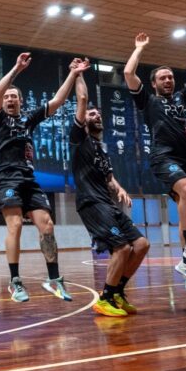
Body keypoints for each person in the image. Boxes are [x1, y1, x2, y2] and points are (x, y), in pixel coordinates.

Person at [0, 53, 87, 302]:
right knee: (15, 225)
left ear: (21, 101)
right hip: (6, 179)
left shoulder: (28, 119)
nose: (9, 99)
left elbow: (58, 100)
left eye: (14, 96)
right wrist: (16, 69)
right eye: (7, 97)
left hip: (29, 180)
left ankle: (54, 279)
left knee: (47, 226)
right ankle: (15, 282)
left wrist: (73, 73)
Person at [123, 33, 186, 287]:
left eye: (170, 77)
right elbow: (129, 73)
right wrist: (139, 48)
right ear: (154, 84)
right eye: (162, 78)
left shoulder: (184, 99)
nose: (167, 80)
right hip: (163, 157)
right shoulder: (148, 101)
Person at [70, 65, 150, 317]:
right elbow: (82, 99)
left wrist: (120, 188)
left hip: (107, 203)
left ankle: (117, 291)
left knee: (141, 244)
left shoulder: (100, 148)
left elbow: (109, 178)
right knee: (122, 248)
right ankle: (105, 298)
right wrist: (78, 74)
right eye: (91, 114)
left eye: (98, 114)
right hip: (91, 203)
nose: (96, 116)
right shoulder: (79, 139)